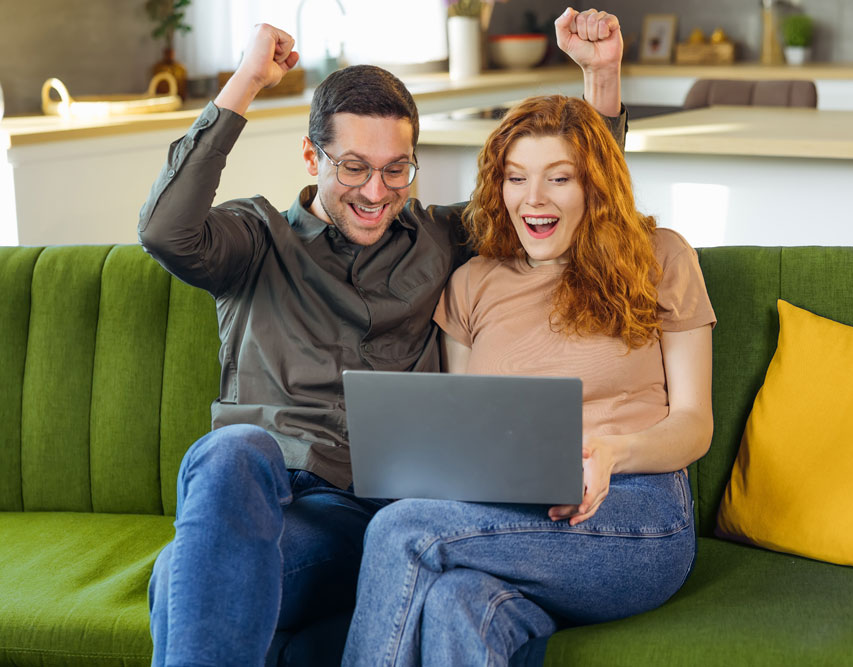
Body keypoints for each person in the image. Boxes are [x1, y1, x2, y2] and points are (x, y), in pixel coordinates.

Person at [139, 8, 627, 667]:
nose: (376, 192)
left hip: (372, 525)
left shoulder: (438, 239)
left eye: (396, 169)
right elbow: (165, 231)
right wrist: (248, 80)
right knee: (231, 451)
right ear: (312, 156)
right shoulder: (254, 241)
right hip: (261, 503)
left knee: (180, 573)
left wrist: (601, 77)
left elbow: (564, 198)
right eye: (354, 167)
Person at [340, 94, 716, 666]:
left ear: (595, 185)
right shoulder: (472, 283)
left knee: (400, 530)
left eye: (559, 178)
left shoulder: (660, 258)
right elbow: (463, 437)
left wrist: (614, 453)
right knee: (455, 603)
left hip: (637, 511)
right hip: (513, 518)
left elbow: (694, 424)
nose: (533, 199)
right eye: (516, 178)